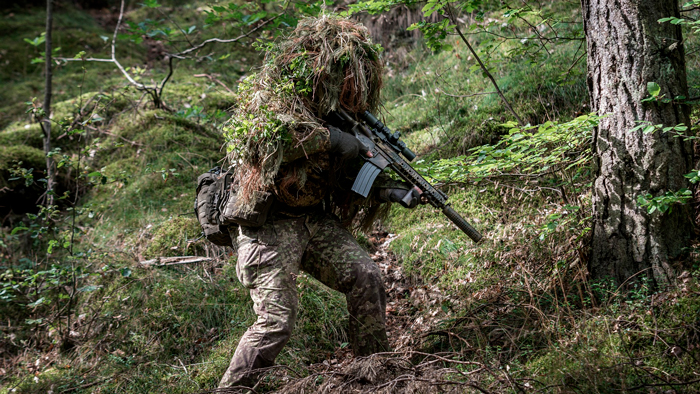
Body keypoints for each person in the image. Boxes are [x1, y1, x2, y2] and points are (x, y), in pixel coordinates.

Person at [218, 15, 420, 389]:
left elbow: (352, 183)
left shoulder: (352, 122)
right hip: (268, 225)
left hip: (313, 221)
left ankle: (373, 371)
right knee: (277, 320)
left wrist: (394, 192)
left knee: (366, 277)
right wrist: (334, 140)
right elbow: (267, 145)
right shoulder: (275, 105)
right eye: (343, 77)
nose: (350, 86)